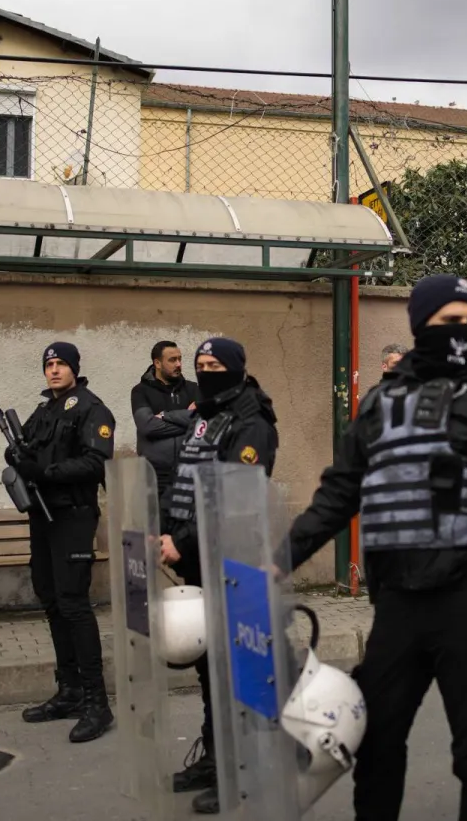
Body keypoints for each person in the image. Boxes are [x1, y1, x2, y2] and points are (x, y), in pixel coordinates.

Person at [278, 274, 467, 821]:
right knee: (376, 742)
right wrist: (276, 560)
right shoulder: (380, 404)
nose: (463, 331)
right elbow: (338, 495)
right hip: (398, 604)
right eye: (449, 322)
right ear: (419, 325)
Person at [158, 336, 279, 815]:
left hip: (233, 559)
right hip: (197, 557)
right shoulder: (206, 413)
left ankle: (244, 769)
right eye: (200, 364)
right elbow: (183, 476)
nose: (207, 372)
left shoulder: (253, 422)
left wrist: (180, 540)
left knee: (233, 671)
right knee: (210, 670)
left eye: (215, 365)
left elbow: (231, 496)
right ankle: (216, 757)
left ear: (236, 369)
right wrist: (164, 530)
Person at [8, 341, 118, 743]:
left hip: (72, 515)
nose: (54, 370)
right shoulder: (44, 411)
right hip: (42, 515)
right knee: (52, 600)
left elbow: (95, 462)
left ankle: (97, 704)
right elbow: (28, 451)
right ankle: (69, 691)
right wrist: (16, 456)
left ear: (75, 368)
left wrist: (46, 471)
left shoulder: (92, 408)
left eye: (61, 364)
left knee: (73, 604)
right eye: (49, 365)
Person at [130, 340, 199, 494]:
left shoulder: (194, 389)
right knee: (156, 518)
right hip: (155, 475)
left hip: (189, 472)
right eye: (172, 360)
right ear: (157, 363)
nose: (179, 364)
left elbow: (202, 421)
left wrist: (165, 416)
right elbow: (148, 426)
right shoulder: (140, 391)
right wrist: (187, 421)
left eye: (180, 359)